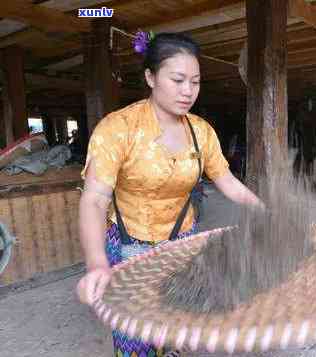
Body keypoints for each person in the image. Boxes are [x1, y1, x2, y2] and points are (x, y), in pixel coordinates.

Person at [75, 32, 262, 356]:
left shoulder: (201, 132)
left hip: (180, 244)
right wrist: (97, 264)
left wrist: (265, 210)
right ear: (150, 77)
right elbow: (93, 200)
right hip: (128, 244)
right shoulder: (118, 128)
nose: (188, 91)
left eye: (195, 81)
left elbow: (227, 181)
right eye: (177, 80)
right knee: (135, 335)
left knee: (178, 330)